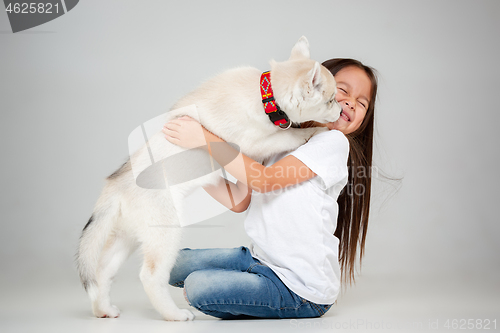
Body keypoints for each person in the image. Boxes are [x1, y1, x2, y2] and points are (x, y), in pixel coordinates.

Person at [162, 58, 378, 319]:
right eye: (342, 91)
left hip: (300, 289)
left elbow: (264, 180)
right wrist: (193, 165)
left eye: (362, 103)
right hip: (260, 260)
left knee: (199, 286)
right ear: (315, 87)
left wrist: (204, 140)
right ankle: (243, 283)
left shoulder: (333, 143)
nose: (351, 103)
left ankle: (237, 291)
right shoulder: (279, 136)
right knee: (171, 263)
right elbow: (240, 200)